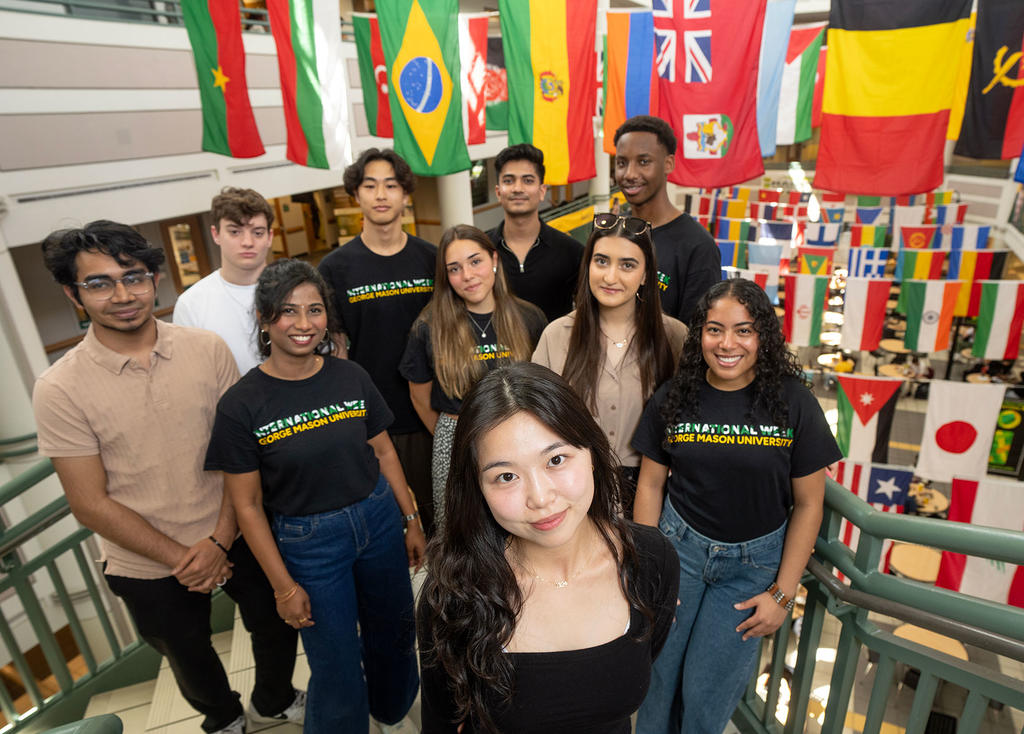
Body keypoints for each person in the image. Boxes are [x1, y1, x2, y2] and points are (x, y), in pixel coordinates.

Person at [32, 221, 302, 734]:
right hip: (145, 560)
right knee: (187, 654)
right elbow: (89, 503)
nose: (122, 294)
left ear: (156, 279)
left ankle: (274, 696)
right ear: (73, 293)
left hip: (237, 528)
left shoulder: (207, 349)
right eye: (99, 283)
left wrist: (220, 541)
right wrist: (184, 558)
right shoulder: (59, 388)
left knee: (274, 623)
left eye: (133, 277)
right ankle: (223, 718)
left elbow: (239, 457)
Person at [204, 259, 425, 734]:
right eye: (288, 311)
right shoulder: (241, 405)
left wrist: (411, 519)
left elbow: (384, 451)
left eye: (315, 310)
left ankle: (390, 712)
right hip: (311, 543)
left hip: (379, 519)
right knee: (335, 659)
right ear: (264, 319)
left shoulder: (350, 376)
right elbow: (246, 506)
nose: (304, 324)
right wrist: (284, 587)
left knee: (394, 633)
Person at [418, 363, 680, 733]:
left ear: (591, 451)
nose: (540, 498)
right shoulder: (454, 592)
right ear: (477, 487)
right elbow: (442, 723)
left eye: (556, 460)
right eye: (506, 476)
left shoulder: (650, 559)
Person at [632, 278, 842, 734]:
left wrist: (783, 595)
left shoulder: (794, 403)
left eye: (743, 330)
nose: (727, 344)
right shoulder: (674, 396)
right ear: (699, 334)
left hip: (751, 571)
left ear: (763, 336)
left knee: (708, 696)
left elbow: (809, 505)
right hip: (677, 552)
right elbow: (650, 485)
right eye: (714, 329)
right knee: (658, 682)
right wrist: (650, 567)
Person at [532, 212, 686, 516]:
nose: (611, 276)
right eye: (601, 261)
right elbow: (536, 422)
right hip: (574, 492)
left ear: (645, 275)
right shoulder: (557, 335)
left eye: (627, 265)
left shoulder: (675, 337)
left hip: (651, 494)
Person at [318, 148, 438, 535]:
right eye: (370, 186)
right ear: (357, 195)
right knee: (388, 530)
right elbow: (335, 348)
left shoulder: (431, 259)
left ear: (406, 194)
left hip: (430, 414)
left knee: (441, 524)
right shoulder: (334, 268)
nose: (381, 194)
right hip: (371, 423)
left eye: (391, 185)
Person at [400, 224, 546, 528]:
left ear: (493, 259)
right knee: (462, 530)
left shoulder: (529, 316)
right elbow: (418, 395)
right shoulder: (428, 326)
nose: (467, 275)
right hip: (455, 439)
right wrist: (455, 435)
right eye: (454, 268)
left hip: (520, 438)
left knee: (520, 523)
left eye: (475, 261)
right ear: (446, 277)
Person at [613, 115, 720, 326]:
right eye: (622, 163)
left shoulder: (698, 246)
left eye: (644, 162)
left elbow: (695, 335)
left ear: (668, 164)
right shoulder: (611, 232)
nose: (630, 174)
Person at [173, 187, 275, 374]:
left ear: (270, 236)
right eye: (235, 232)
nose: (247, 242)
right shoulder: (191, 304)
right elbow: (193, 376)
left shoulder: (296, 290)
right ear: (216, 234)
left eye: (258, 233)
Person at [486, 143, 584, 321]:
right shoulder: (482, 250)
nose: (518, 188)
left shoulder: (572, 252)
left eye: (528, 180)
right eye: (509, 181)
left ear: (542, 191)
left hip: (555, 348)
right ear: (498, 192)